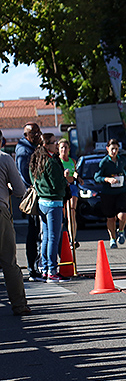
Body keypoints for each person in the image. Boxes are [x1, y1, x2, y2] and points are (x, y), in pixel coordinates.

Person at [30, 134, 68, 283]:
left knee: (46, 236)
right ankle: (52, 270)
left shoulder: (36, 160)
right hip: (53, 201)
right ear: (46, 145)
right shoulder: (51, 162)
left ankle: (45, 268)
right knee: (53, 237)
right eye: (54, 142)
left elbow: (33, 180)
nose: (56, 144)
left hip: (42, 201)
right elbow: (57, 183)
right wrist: (64, 182)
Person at [0, 129, 31, 315]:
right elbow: (20, 190)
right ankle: (19, 304)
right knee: (8, 261)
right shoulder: (4, 159)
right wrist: (9, 187)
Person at [15, 123, 42, 281]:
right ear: (26, 135)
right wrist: (36, 188)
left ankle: (37, 266)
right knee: (34, 232)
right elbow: (25, 177)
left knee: (38, 231)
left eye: (38, 131)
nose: (38, 134)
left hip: (38, 194)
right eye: (34, 133)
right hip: (33, 196)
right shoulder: (24, 151)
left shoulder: (34, 148)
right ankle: (33, 268)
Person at [94, 139, 126, 248]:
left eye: (116, 149)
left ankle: (121, 231)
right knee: (111, 218)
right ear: (107, 149)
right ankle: (112, 239)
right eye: (112, 149)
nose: (114, 151)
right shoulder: (104, 162)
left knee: (123, 214)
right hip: (108, 193)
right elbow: (97, 177)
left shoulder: (122, 160)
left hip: (121, 192)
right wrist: (107, 179)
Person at [57, 138, 78, 248]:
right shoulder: (57, 161)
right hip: (61, 189)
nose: (64, 150)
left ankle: (72, 239)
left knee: (71, 213)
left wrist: (77, 177)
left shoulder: (72, 161)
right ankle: (60, 239)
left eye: (66, 147)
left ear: (69, 149)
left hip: (72, 187)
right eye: (62, 147)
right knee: (62, 216)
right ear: (58, 149)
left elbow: (75, 173)